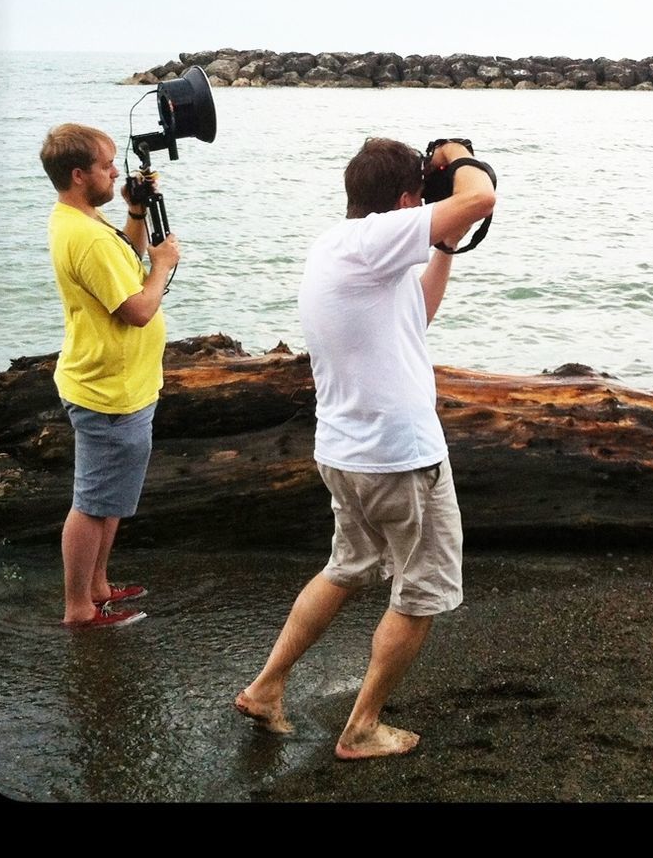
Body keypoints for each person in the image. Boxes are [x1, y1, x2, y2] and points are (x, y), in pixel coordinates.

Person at [235, 136, 496, 760]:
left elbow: (418, 315)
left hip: (350, 453)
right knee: (422, 592)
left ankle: (266, 688)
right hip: (398, 459)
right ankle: (362, 728)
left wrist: (442, 249)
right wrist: (458, 155)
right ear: (406, 202)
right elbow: (481, 196)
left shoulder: (346, 247)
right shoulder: (375, 242)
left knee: (348, 568)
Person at [41, 124, 181, 627]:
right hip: (106, 390)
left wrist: (137, 212)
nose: (115, 169)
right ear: (79, 175)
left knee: (111, 498)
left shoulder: (79, 219)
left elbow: (125, 252)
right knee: (92, 503)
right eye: (106, 165)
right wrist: (162, 265)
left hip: (124, 383)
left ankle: (98, 585)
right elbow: (138, 309)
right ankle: (78, 607)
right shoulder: (84, 236)